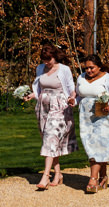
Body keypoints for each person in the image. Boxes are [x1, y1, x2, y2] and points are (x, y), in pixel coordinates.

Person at [24, 42, 76, 190]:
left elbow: (71, 88)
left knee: (51, 138)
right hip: (43, 107)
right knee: (48, 140)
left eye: (49, 59)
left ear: (55, 57)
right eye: (44, 60)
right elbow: (39, 88)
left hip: (59, 107)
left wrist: (72, 98)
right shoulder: (40, 68)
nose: (46, 63)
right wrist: (31, 95)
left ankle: (45, 176)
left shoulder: (64, 69)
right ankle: (58, 173)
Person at [75, 54, 109, 193]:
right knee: (93, 146)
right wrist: (73, 101)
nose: (89, 71)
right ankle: (103, 176)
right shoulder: (81, 78)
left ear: (99, 66)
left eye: (92, 67)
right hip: (86, 118)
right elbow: (79, 96)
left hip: (104, 116)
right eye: (86, 68)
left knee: (97, 147)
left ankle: (93, 179)